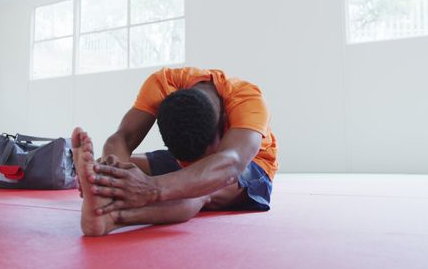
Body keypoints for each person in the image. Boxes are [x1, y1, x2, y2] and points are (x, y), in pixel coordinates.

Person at [71, 67, 278, 236]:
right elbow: (124, 137)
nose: (190, 165)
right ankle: (106, 193)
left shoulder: (247, 98)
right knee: (111, 166)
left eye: (198, 158)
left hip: (250, 166)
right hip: (206, 158)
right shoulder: (164, 83)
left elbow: (231, 162)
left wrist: (152, 188)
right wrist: (111, 175)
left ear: (223, 124)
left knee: (201, 190)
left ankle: (112, 218)